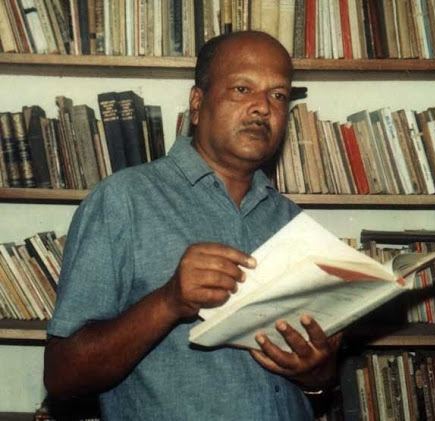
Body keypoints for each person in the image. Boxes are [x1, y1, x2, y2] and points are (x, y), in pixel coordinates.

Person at [44, 31, 341, 420]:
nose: (262, 108)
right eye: (241, 88)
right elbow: (63, 375)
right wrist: (168, 301)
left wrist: (315, 371)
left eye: (278, 95)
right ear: (197, 104)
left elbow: (317, 385)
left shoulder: (294, 222)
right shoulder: (123, 200)